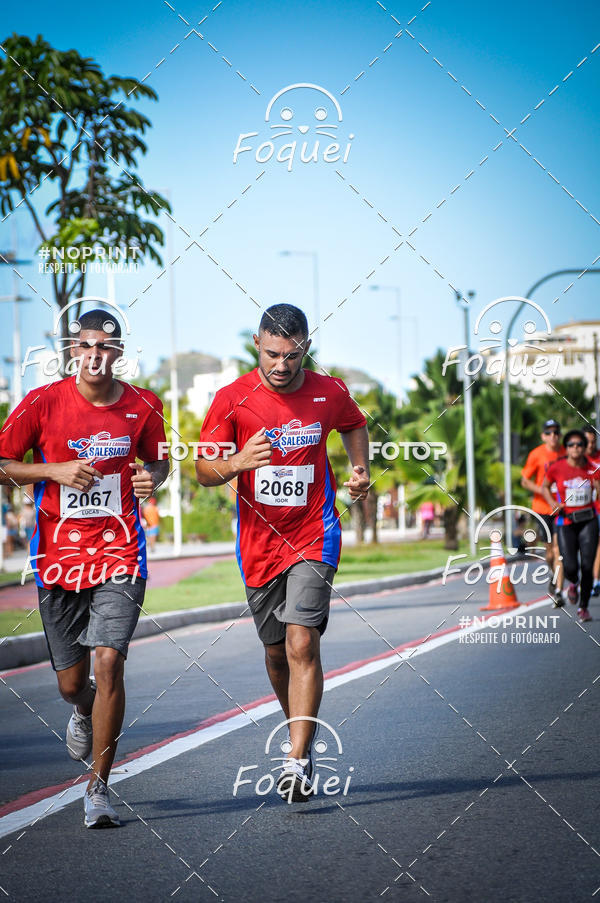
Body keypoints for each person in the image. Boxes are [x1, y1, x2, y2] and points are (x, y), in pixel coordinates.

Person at [0, 310, 168, 828]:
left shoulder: (143, 405)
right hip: (58, 558)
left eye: (106, 346)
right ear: (72, 350)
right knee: (74, 684)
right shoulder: (42, 403)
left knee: (109, 662)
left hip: (121, 551)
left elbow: (160, 458)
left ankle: (98, 791)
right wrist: (53, 470)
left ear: (119, 352)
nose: (96, 354)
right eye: (86, 345)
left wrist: (153, 479)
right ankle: (81, 710)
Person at [195, 303, 370, 803]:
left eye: (292, 356)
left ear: (305, 350)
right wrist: (237, 461)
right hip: (259, 545)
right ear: (257, 344)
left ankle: (297, 757)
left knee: (300, 642)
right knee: (275, 655)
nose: (281, 365)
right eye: (272, 354)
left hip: (315, 532)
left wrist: (358, 470)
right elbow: (203, 472)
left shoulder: (329, 391)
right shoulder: (232, 399)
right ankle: (299, 724)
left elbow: (354, 423)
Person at [541, 429, 600, 622]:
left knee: (587, 564)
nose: (575, 448)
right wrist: (552, 503)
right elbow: (544, 486)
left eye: (579, 445)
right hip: (566, 521)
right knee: (569, 565)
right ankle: (573, 583)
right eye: (571, 445)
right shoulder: (557, 467)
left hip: (588, 520)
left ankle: (583, 607)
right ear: (566, 448)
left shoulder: (592, 468)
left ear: (584, 448)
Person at [521, 419, 564, 603]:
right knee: (549, 553)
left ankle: (559, 588)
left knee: (558, 549)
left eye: (555, 432)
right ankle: (553, 575)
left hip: (561, 508)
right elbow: (525, 480)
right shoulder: (536, 454)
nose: (552, 436)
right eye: (548, 433)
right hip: (542, 508)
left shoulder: (566, 452)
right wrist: (542, 490)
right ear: (543, 436)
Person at [583, 425, 600, 596]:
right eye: (587, 442)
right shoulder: (576, 459)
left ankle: (595, 581)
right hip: (580, 511)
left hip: (598, 509)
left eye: (593, 442)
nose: (590, 445)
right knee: (585, 546)